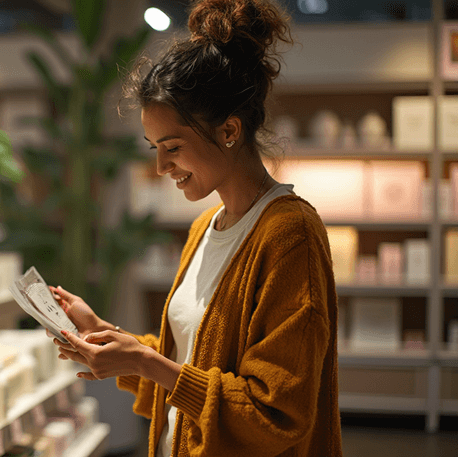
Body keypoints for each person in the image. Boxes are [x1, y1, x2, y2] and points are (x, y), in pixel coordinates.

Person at [48, 1, 342, 456]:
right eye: (154, 148)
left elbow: (277, 413)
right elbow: (190, 363)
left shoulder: (290, 235)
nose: (162, 166)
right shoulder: (206, 226)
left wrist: (146, 361)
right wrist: (104, 333)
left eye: (173, 147)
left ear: (228, 131)